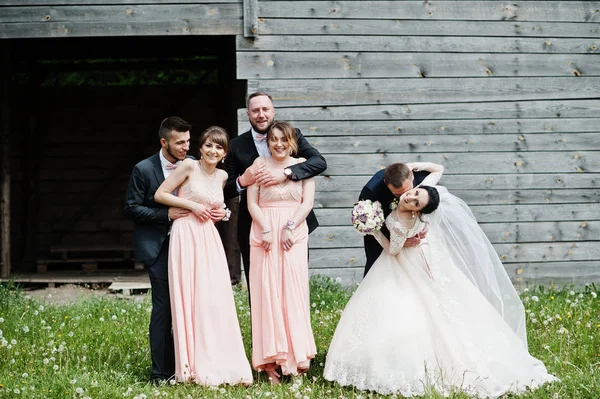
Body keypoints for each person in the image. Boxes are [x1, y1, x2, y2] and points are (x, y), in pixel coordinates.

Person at [324, 170, 558, 397]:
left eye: (416, 202)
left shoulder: (401, 222)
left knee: (402, 306)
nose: (411, 196)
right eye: (415, 193)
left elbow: (393, 250)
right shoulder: (415, 196)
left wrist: (375, 231)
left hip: (403, 260)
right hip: (419, 256)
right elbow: (437, 170)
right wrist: (413, 166)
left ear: (418, 211)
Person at [153, 126, 253, 386]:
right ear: (201, 147)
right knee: (192, 298)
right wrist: (191, 205)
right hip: (186, 235)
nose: (213, 150)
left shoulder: (221, 176)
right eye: (209, 145)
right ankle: (191, 365)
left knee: (213, 299)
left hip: (209, 238)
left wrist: (223, 213)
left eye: (219, 147)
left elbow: (218, 206)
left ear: (224, 153)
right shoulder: (188, 167)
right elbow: (161, 194)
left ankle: (219, 360)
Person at [222, 92, 327, 292]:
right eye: (255, 111)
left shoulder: (292, 135)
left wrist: (287, 173)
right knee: (259, 286)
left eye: (265, 109)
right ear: (248, 114)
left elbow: (319, 162)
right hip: (255, 223)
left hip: (293, 222)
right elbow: (225, 189)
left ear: (273, 111)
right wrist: (244, 179)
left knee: (293, 282)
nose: (261, 115)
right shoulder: (236, 146)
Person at [246, 121, 317, 384]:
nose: (278, 144)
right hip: (264, 232)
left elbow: (306, 203)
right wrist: (265, 228)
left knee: (293, 294)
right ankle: (270, 364)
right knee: (267, 293)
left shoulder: (303, 166)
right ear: (267, 141)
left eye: (283, 140)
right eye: (273, 139)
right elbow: (252, 202)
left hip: (293, 232)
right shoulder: (259, 164)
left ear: (291, 141)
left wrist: (290, 226)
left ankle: (296, 362)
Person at [124, 116, 194, 382]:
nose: (186, 146)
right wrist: (166, 214)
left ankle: (190, 367)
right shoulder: (143, 169)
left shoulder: (195, 165)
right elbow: (131, 208)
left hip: (191, 244)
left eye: (188, 140)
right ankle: (160, 373)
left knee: (191, 306)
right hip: (159, 246)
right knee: (164, 307)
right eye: (179, 142)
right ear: (164, 142)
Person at [359, 162, 443, 277]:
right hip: (384, 232)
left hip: (410, 241)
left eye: (407, 190)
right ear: (386, 184)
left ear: (411, 175)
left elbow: (438, 169)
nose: (406, 197)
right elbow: (366, 217)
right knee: (375, 269)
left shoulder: (419, 177)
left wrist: (415, 164)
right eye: (398, 194)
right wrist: (399, 240)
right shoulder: (371, 192)